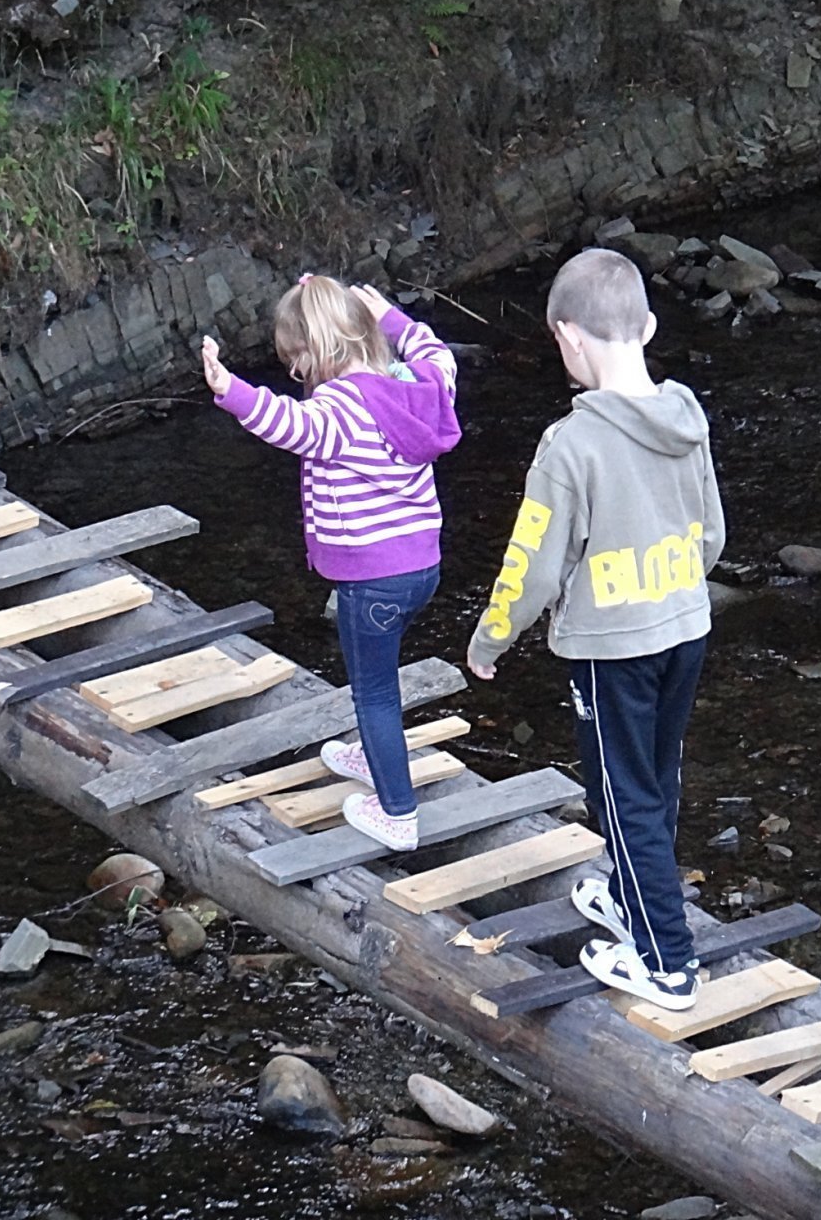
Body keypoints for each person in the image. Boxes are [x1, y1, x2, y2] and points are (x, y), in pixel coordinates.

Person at [465, 247, 725, 1010]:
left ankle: (665, 963)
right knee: (656, 773)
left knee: (621, 795)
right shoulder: (686, 418)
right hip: (684, 626)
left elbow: (532, 565)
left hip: (612, 649)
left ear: (567, 337)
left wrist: (491, 638)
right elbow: (711, 533)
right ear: (645, 325)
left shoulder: (569, 446)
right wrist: (673, 585)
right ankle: (627, 894)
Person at [199, 276, 461, 850]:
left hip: (370, 578)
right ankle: (375, 755)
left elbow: (290, 425)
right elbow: (437, 353)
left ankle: (397, 813)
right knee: (377, 678)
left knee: (374, 692)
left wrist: (231, 389)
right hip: (422, 568)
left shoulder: (339, 406)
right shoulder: (418, 385)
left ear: (316, 353)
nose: (296, 373)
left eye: (296, 360)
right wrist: (391, 314)